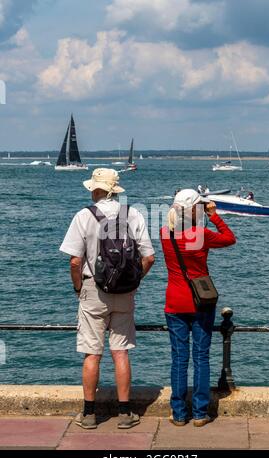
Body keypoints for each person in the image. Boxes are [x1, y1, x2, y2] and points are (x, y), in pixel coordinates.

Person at [60, 168, 155, 430]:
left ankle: (89, 414)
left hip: (93, 290)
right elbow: (149, 258)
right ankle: (125, 413)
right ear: (115, 190)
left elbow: (75, 261)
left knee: (92, 353)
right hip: (125, 292)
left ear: (95, 189)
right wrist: (134, 281)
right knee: (120, 352)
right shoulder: (133, 214)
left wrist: (79, 288)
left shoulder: (84, 215)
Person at [160, 189, 236, 427]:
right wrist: (214, 215)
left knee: (179, 359)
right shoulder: (201, 234)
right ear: (194, 209)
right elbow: (229, 238)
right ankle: (201, 413)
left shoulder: (165, 234)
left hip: (174, 302)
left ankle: (180, 413)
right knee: (201, 357)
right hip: (200, 302)